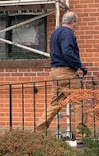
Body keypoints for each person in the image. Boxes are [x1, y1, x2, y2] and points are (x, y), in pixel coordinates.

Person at [37, 11, 88, 144]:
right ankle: (81, 138)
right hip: (66, 73)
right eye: (76, 22)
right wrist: (79, 65)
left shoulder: (56, 33)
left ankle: (38, 133)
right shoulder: (67, 33)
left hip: (55, 72)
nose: (77, 25)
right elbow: (67, 51)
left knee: (55, 104)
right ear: (73, 22)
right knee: (79, 103)